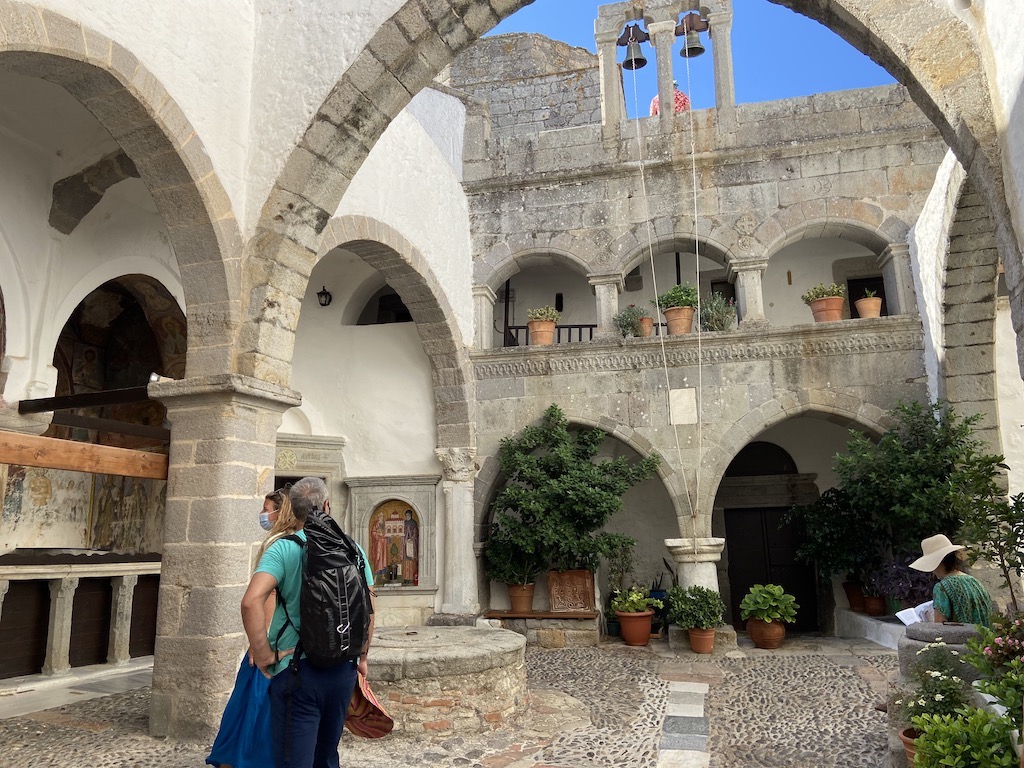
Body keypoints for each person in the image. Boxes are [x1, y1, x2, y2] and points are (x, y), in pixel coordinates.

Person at [241, 476, 375, 768]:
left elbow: (251, 601)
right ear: (327, 505)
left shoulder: (283, 548)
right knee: (326, 756)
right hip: (343, 669)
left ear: (293, 509)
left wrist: (263, 653)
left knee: (294, 759)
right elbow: (368, 609)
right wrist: (362, 658)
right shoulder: (353, 549)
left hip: (297, 669)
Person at [207, 489, 303, 768]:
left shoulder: (278, 544)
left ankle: (244, 758)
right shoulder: (292, 542)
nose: (263, 514)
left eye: (267, 509)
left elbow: (268, 596)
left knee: (256, 704)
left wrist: (262, 642)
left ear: (281, 512)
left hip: (272, 641)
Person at [909, 533, 992, 627]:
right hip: (986, 639)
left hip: (961, 640)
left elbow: (940, 626)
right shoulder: (975, 582)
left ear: (937, 563)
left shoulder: (942, 587)